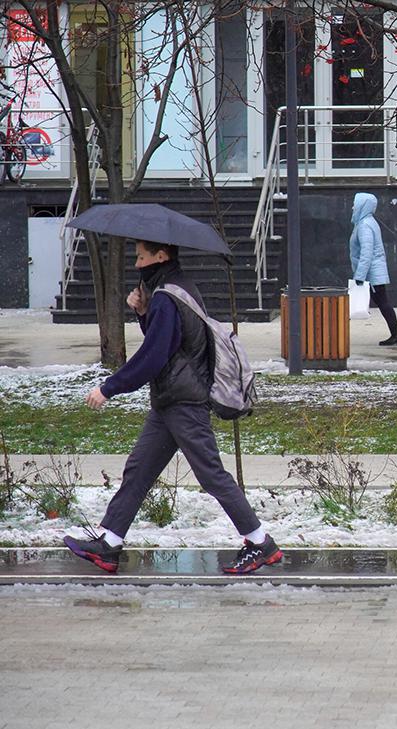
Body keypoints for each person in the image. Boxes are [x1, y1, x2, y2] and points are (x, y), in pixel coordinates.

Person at [63, 240, 282, 575]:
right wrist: (142, 313)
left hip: (183, 402)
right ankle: (109, 542)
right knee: (139, 470)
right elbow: (169, 343)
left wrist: (109, 388)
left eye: (140, 256)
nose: (136, 264)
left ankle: (260, 543)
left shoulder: (167, 296)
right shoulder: (177, 289)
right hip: (171, 400)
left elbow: (154, 356)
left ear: (160, 256)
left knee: (211, 475)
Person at [350, 192, 397, 346]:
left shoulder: (365, 225)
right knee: (382, 302)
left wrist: (359, 276)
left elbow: (367, 252)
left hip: (371, 273)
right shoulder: (367, 222)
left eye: (355, 203)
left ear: (362, 205)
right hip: (373, 271)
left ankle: (396, 335)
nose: (353, 207)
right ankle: (396, 334)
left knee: (383, 302)